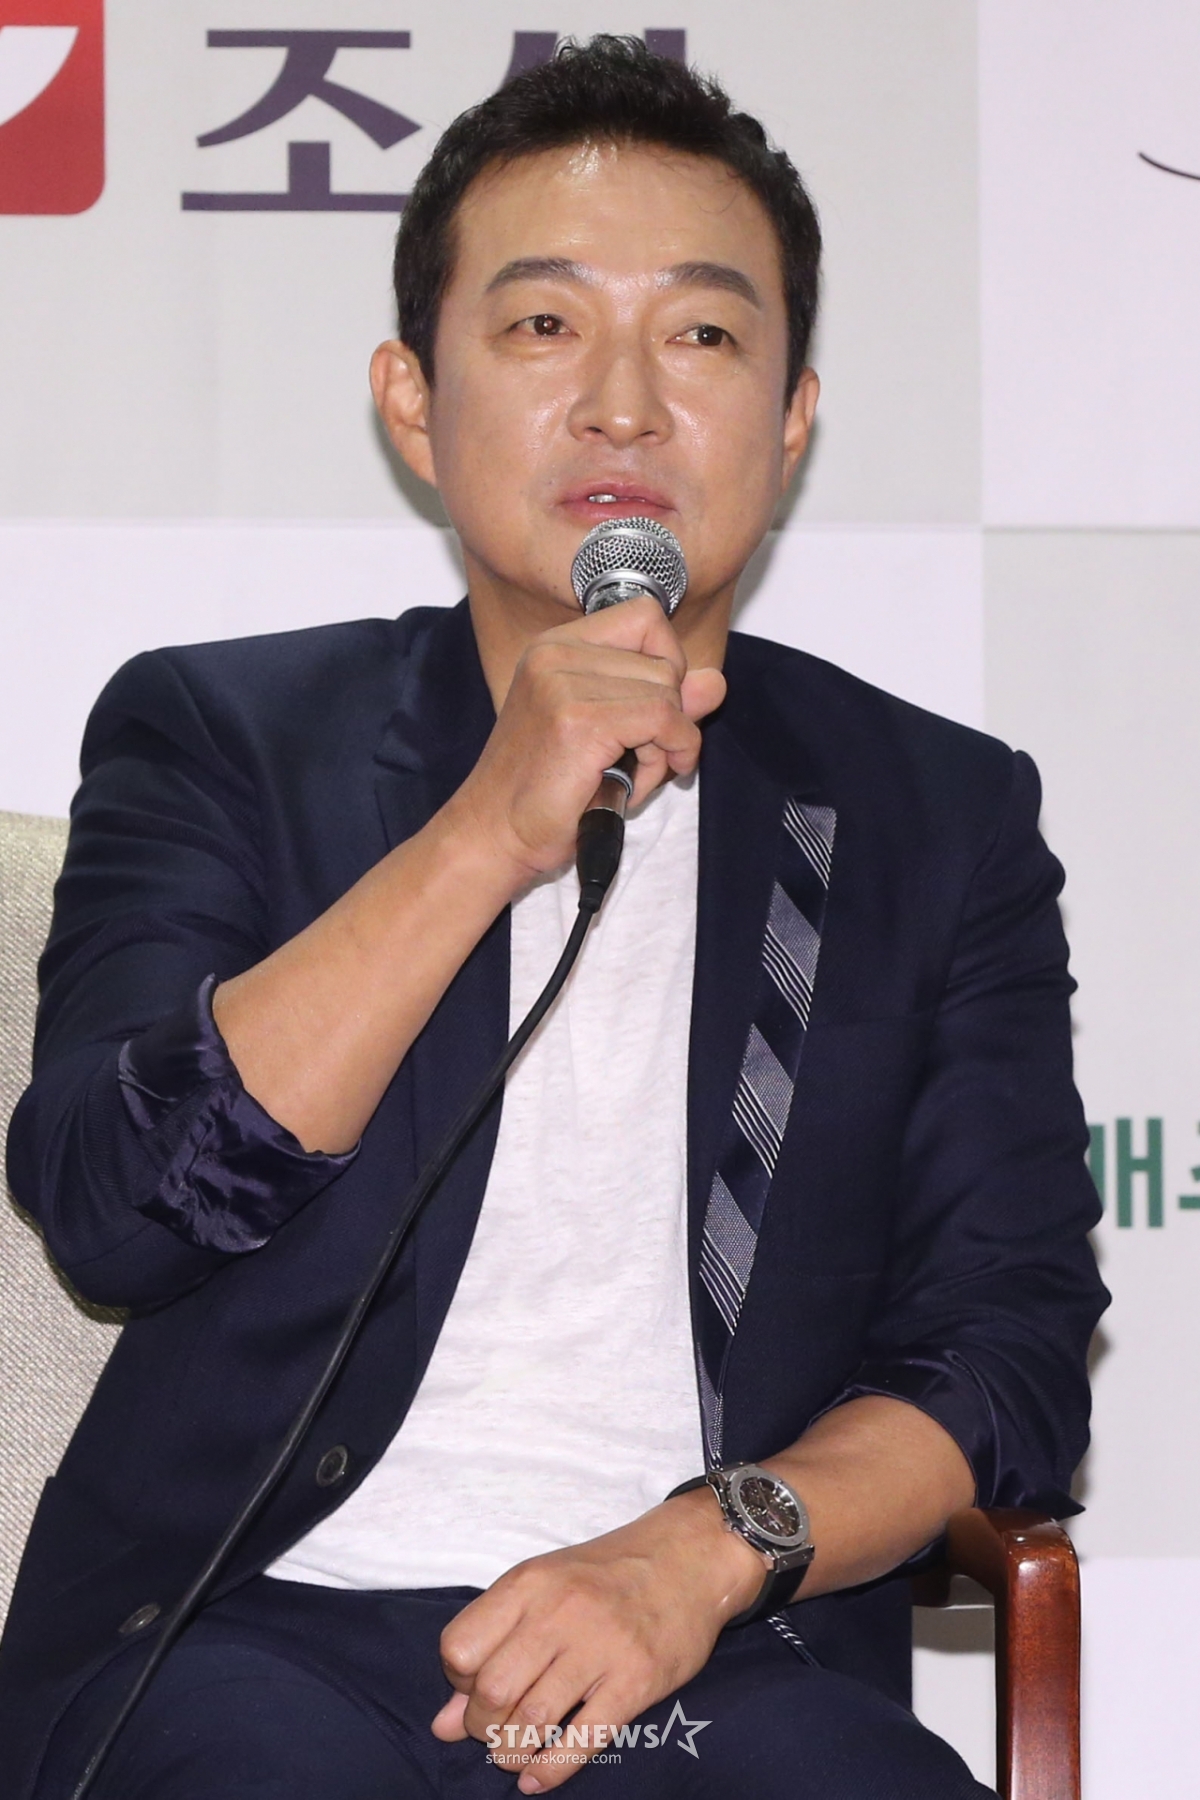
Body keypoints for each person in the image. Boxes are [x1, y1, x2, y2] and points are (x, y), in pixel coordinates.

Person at [1, 35, 1106, 1800]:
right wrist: (480, 837)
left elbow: (1007, 1348)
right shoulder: (222, 733)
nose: (623, 406)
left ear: (792, 417)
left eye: (704, 335)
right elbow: (118, 1209)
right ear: (413, 401)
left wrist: (698, 1555)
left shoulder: (939, 817)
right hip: (250, 1632)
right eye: (541, 324)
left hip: (710, 1656)